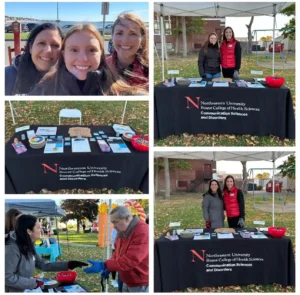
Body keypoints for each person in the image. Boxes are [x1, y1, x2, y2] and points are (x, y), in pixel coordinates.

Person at [30, 24, 140, 95]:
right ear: (63, 54)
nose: (83, 58)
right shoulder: (44, 88)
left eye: (91, 50)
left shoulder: (122, 93)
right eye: (73, 50)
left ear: (101, 54)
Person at [5, 214, 88, 292]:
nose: (41, 230)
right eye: (38, 228)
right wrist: (33, 283)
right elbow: (6, 277)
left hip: (21, 289)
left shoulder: (28, 245)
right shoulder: (12, 249)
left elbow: (42, 264)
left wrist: (68, 265)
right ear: (29, 231)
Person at [84, 206, 149, 292]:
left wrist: (104, 265)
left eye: (116, 222)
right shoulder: (123, 231)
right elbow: (117, 253)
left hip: (140, 283)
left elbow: (131, 260)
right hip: (127, 279)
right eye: (112, 223)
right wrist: (109, 267)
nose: (114, 226)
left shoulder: (142, 230)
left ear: (126, 218)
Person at [5, 23, 63, 95]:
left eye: (55, 45)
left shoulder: (69, 81)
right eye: (41, 43)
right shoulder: (6, 76)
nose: (48, 50)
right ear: (30, 47)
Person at [106, 13, 149, 91]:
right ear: (112, 37)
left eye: (132, 34)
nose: (125, 41)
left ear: (142, 39)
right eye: (119, 33)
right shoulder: (101, 67)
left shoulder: (149, 69)